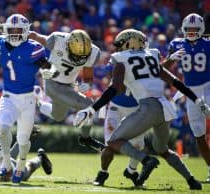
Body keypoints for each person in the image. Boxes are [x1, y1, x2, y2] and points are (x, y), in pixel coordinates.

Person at [74, 29, 210, 190]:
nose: (118, 48)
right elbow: (175, 82)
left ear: (130, 42)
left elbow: (114, 88)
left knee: (113, 141)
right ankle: (191, 180)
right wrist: (197, 100)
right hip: (165, 108)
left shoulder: (120, 59)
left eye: (121, 44)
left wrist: (91, 109)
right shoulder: (151, 55)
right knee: (163, 149)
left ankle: (145, 160)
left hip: (147, 108)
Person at [0, 14, 54, 183]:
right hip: (8, 97)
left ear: (26, 31)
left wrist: (49, 71)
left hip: (27, 100)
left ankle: (21, 165)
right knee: (3, 129)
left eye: (19, 30)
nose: (15, 33)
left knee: (23, 139)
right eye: (12, 30)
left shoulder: (33, 47)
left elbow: (45, 65)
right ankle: (6, 163)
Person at [29, 29, 104, 152]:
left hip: (68, 85)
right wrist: (20, 35)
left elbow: (88, 75)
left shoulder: (94, 52)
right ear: (68, 44)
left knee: (57, 116)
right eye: (76, 55)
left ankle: (38, 102)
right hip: (52, 83)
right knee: (89, 106)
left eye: (82, 56)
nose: (78, 58)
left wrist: (87, 84)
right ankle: (85, 138)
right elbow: (35, 36)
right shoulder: (57, 40)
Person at [167, 13, 210, 182]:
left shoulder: (207, 45)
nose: (191, 32)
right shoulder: (176, 44)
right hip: (190, 91)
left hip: (208, 87)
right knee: (198, 133)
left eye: (195, 29)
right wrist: (171, 58)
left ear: (202, 30)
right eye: (189, 29)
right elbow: (162, 69)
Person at [93, 91, 144, 186]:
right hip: (115, 107)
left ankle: (131, 171)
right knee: (110, 143)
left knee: (138, 145)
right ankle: (103, 173)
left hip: (136, 108)